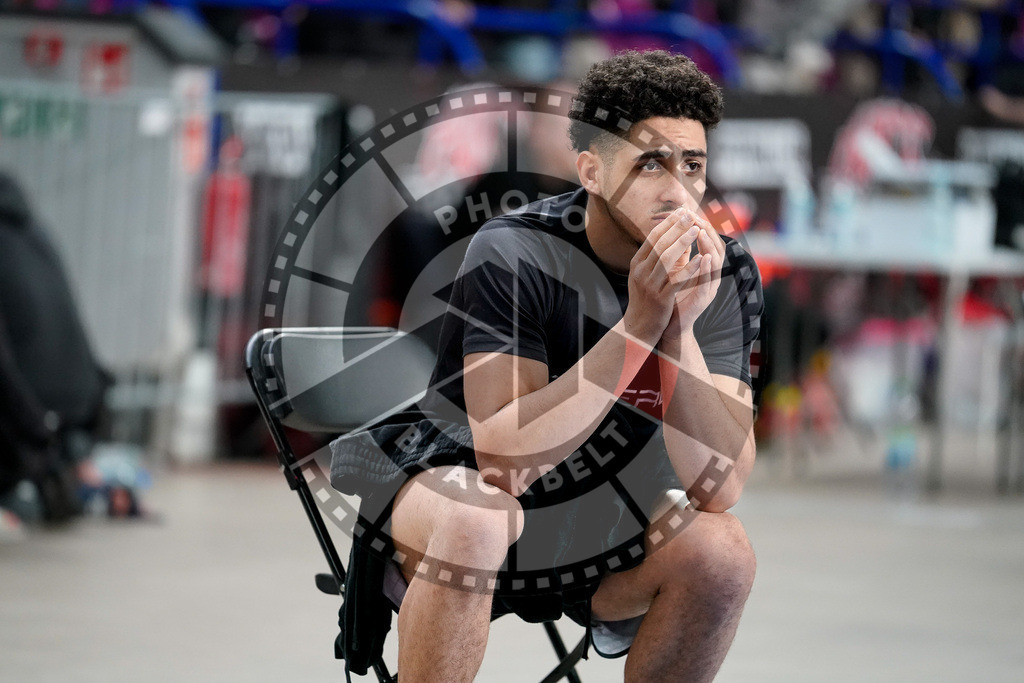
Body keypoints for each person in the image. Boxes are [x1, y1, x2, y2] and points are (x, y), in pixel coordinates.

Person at [332, 49, 763, 682]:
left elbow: (718, 487)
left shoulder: (722, 269)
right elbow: (503, 461)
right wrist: (638, 326)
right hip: (460, 482)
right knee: (480, 518)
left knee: (723, 553)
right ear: (591, 172)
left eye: (692, 165)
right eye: (650, 164)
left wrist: (677, 329)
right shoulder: (514, 250)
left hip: (604, 510)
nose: (678, 191)